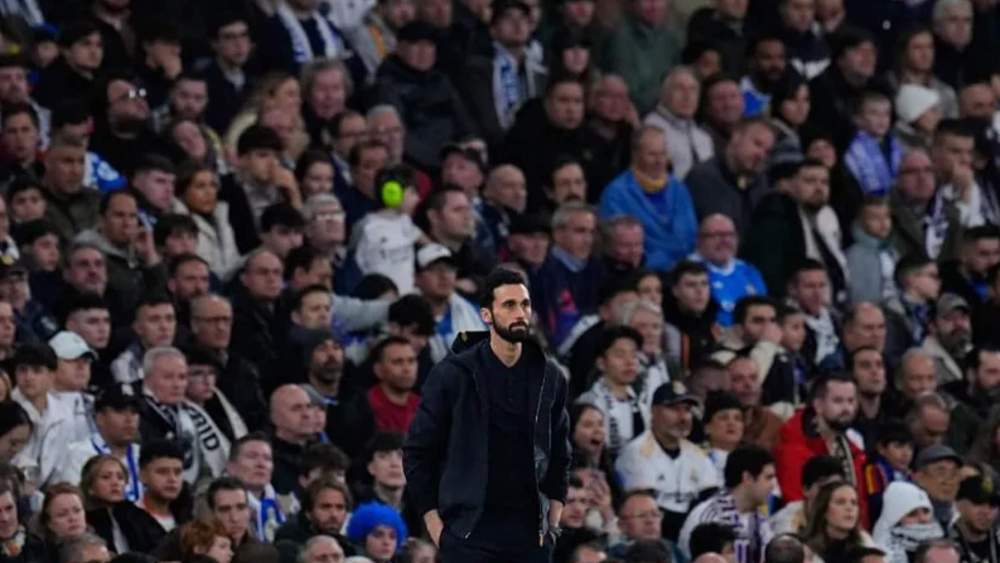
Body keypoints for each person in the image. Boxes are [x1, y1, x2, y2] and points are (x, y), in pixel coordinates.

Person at [404, 267, 570, 561]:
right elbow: (418, 452)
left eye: (525, 304)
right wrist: (436, 525)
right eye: (509, 305)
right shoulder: (453, 375)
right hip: (469, 534)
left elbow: (559, 453)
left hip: (531, 537)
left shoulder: (549, 376)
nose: (520, 313)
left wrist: (553, 522)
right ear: (486, 315)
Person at [615, 382, 719, 541]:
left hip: (691, 536)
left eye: (687, 410)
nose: (683, 417)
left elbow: (711, 500)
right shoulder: (636, 452)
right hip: (650, 539)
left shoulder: (698, 455)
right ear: (654, 411)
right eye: (674, 409)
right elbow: (646, 511)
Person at [599, 126, 698, 272]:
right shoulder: (616, 194)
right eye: (652, 154)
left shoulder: (679, 189)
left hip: (682, 272)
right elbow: (620, 244)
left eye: (663, 154)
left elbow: (689, 236)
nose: (659, 161)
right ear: (636, 155)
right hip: (638, 272)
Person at [774, 373, 867, 520]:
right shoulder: (793, 449)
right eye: (838, 401)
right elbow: (796, 507)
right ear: (818, 405)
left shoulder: (854, 453)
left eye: (851, 401)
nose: (847, 408)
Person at [679, 444, 777, 563]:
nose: (773, 486)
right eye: (768, 478)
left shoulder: (762, 522)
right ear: (747, 478)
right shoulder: (709, 516)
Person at [686, 118, 776, 237]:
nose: (761, 155)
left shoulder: (760, 183)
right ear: (736, 136)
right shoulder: (703, 178)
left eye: (767, 152)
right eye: (757, 144)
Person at [80, 454, 165, 555]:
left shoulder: (137, 516)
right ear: (90, 487)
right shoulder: (83, 521)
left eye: (120, 478)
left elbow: (163, 548)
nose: (115, 483)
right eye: (106, 477)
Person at [644, 66, 714, 179]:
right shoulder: (649, 129)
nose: (687, 96)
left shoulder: (704, 137)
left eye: (693, 89)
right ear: (664, 94)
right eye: (679, 88)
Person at [872, 481, 945, 563]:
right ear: (895, 520)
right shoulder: (882, 556)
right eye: (912, 514)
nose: (923, 518)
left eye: (926, 511)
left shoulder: (946, 543)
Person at [803, 481, 875, 563]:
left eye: (854, 503)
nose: (849, 508)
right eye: (840, 502)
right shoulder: (805, 551)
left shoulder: (865, 541)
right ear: (824, 511)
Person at [949, 474, 1000, 562]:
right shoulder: (941, 544)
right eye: (978, 503)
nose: (986, 512)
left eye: (993, 505)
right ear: (958, 504)